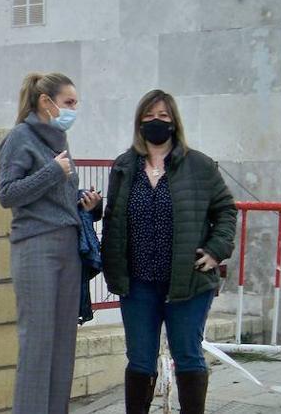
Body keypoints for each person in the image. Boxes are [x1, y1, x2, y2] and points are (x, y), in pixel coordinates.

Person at [101, 90, 236, 414]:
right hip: (138, 284)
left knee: (188, 355)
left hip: (187, 282)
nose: (155, 122)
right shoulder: (123, 166)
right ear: (139, 122)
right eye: (148, 116)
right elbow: (114, 217)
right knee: (140, 360)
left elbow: (226, 211)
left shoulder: (199, 165)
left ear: (174, 122)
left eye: (162, 116)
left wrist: (217, 251)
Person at [0, 72, 101, 414]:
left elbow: (55, 199)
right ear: (46, 102)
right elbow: (7, 194)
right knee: (37, 343)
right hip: (35, 248)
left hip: (67, 247)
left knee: (62, 343)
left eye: (75, 103)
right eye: (69, 103)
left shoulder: (59, 139)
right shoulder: (19, 138)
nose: (73, 110)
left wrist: (85, 203)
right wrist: (53, 172)